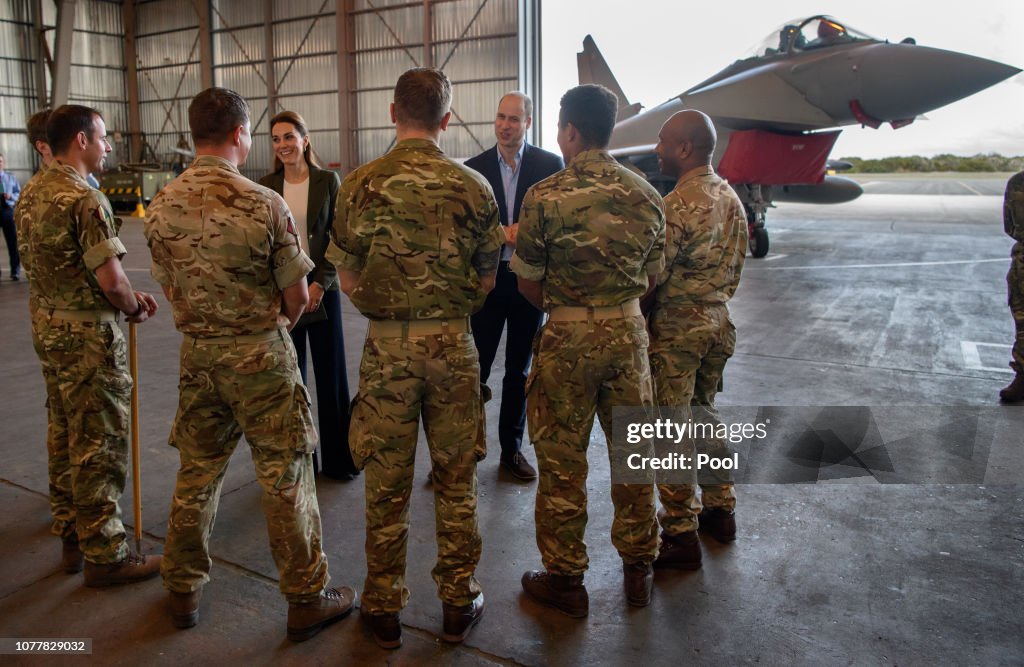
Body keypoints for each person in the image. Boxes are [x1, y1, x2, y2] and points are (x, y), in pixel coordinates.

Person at [144, 87, 355, 640]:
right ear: (241, 134)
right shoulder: (264, 203)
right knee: (286, 476)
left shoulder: (162, 204)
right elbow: (295, 298)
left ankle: (183, 588)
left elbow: (169, 288)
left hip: (200, 357)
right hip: (260, 355)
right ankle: (307, 596)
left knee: (197, 472)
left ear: (195, 134)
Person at [327, 67, 502, 649]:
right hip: (454, 347)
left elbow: (345, 280)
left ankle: (382, 608)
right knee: (456, 480)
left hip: (389, 349)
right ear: (447, 119)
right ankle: (458, 600)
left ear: (392, 111)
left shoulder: (359, 185)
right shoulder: (475, 187)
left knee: (387, 479)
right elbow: (485, 282)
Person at [514, 84, 665, 617]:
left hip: (566, 341)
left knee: (561, 463)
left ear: (571, 131)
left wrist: (569, 304)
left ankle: (566, 580)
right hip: (628, 339)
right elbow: (652, 277)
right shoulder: (646, 194)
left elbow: (528, 283)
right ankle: (639, 570)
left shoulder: (545, 196)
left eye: (559, 129)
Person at [14, 104, 162, 585]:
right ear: (80, 140)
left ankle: (72, 535)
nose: (108, 147)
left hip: (49, 326)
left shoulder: (32, 193)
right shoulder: (84, 199)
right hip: (86, 337)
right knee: (98, 440)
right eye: (102, 138)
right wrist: (132, 305)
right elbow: (112, 281)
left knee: (62, 429)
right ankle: (106, 553)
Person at [647, 110, 748, 568]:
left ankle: (680, 533)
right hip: (718, 322)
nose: (657, 149)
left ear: (685, 149)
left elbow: (652, 277)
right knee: (703, 415)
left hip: (678, 329)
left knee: (670, 427)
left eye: (663, 141)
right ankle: (720, 510)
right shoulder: (732, 198)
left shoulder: (677, 205)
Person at [464, 92, 563, 481]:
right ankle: (464, 450)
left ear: (529, 123)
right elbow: (468, 226)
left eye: (514, 119)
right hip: (488, 282)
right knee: (478, 369)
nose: (505, 125)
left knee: (519, 370)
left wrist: (530, 232)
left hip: (528, 282)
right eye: (501, 117)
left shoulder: (548, 165)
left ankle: (511, 449)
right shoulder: (475, 168)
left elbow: (557, 219)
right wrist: (501, 234)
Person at [259, 110, 358, 480]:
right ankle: (301, 461)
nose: (283, 145)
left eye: (289, 136)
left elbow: (340, 238)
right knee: (292, 379)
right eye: (276, 139)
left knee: (332, 380)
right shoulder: (267, 184)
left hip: (322, 293)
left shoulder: (327, 181)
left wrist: (320, 284)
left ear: (305, 139)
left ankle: (337, 461)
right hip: (286, 295)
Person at [1000, 170, 1024, 401]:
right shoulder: (1018, 182)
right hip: (1022, 265)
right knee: (1022, 321)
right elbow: (1009, 226)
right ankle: (1023, 376)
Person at [0, 152, 22, 280]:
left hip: (8, 211)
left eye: (0, 161)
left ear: (3, 162)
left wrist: (11, 197)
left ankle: (15, 271)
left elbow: (18, 193)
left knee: (12, 243)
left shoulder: (11, 177)